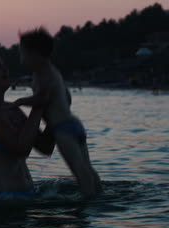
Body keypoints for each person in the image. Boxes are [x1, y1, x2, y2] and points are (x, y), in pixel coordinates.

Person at [13, 27, 102, 197]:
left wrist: (20, 101)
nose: (21, 59)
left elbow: (42, 98)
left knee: (78, 169)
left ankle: (89, 200)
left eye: (23, 54)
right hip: (73, 123)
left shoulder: (43, 74)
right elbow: (67, 96)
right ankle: (99, 193)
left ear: (35, 55)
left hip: (62, 129)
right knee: (86, 167)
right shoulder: (52, 71)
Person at [0, 50, 55, 199]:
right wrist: (38, 106)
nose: (5, 69)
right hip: (0, 199)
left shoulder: (13, 110)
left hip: (28, 196)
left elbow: (45, 147)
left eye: (4, 66)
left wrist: (56, 111)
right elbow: (21, 149)